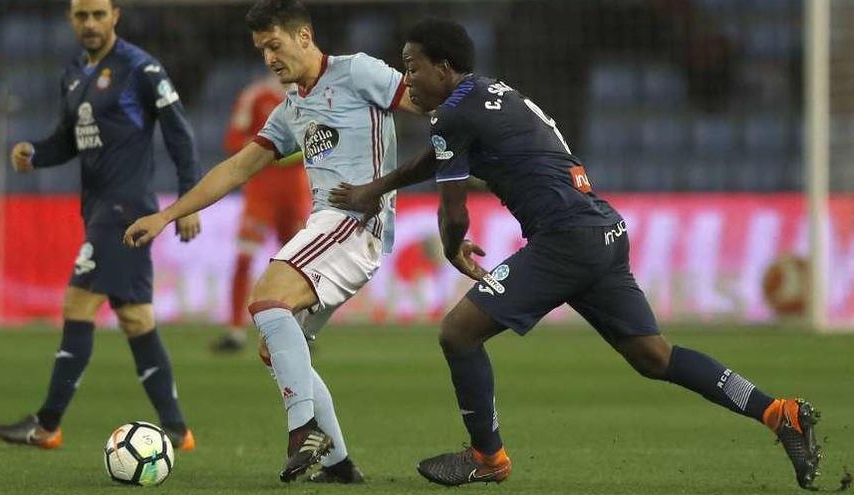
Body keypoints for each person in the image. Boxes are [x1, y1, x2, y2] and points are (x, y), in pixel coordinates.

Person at [328, 19, 821, 489]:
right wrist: (379, 187)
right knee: (655, 356)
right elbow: (434, 158)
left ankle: (486, 458)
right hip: (601, 231)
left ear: (444, 66)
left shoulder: (453, 114)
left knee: (458, 333)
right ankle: (779, 413)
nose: (408, 79)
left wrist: (454, 245)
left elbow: (453, 211)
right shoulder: (489, 95)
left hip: (563, 239)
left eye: (413, 67)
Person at [122, 0, 421, 483]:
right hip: (328, 227)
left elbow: (425, 103)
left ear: (304, 36)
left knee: (266, 298)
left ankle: (301, 428)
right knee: (278, 346)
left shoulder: (357, 72)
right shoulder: (292, 109)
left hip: (355, 221)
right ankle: (340, 464)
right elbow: (238, 167)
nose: (268, 58)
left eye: (274, 45)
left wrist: (468, 161)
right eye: (261, 50)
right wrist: (167, 214)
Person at [0, 0, 201, 451]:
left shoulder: (140, 69)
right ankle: (178, 432)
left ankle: (46, 425)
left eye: (98, 15)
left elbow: (178, 131)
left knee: (78, 303)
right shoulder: (73, 73)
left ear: (115, 16)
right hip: (99, 209)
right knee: (136, 319)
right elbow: (69, 138)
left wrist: (187, 202)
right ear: (71, 18)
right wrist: (36, 154)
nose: (89, 24)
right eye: (81, 16)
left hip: (125, 211)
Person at [211, 76, 310, 353]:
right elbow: (233, 141)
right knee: (244, 257)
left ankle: (298, 330)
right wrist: (271, 148)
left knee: (297, 264)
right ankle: (234, 331)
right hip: (261, 190)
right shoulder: (256, 95)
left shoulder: (310, 95)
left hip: (296, 190)